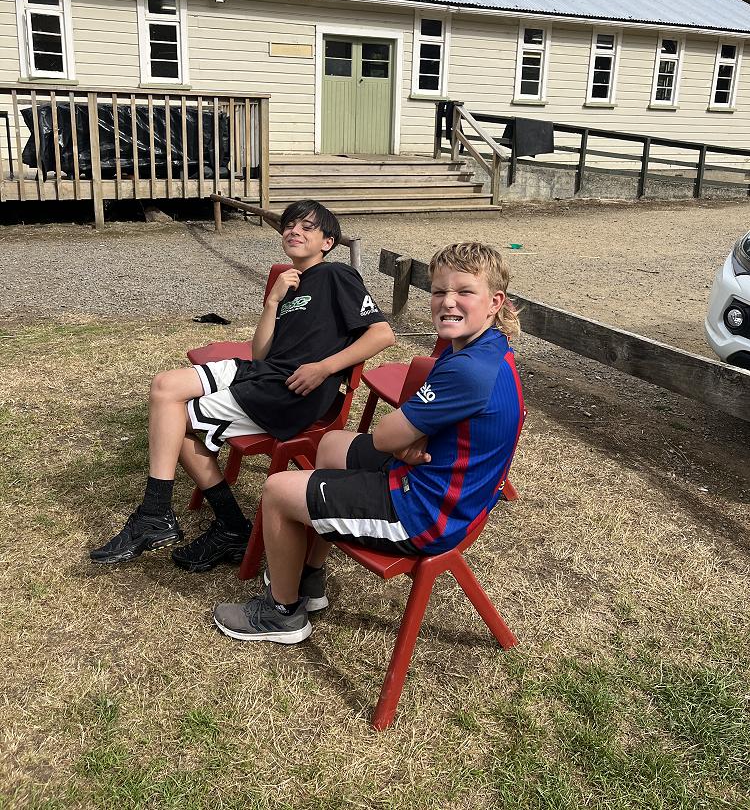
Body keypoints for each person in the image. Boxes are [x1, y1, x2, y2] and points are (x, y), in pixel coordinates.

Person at [213, 241, 525, 644]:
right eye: (439, 291)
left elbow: (385, 435)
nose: (448, 301)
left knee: (277, 491)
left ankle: (282, 613)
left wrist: (403, 436)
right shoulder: (484, 346)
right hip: (438, 479)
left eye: (464, 292)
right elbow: (421, 426)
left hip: (424, 513)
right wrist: (413, 434)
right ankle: (309, 578)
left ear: (495, 302)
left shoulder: (469, 370)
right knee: (330, 444)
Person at [90, 199, 394, 572]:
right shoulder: (290, 284)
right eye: (289, 225)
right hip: (262, 371)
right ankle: (165, 515)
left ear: (327, 242)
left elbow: (382, 334)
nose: (294, 231)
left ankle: (195, 520)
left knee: (175, 422)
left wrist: (324, 368)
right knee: (165, 387)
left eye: (307, 227)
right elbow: (261, 352)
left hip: (290, 391)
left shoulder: (336, 275)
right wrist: (273, 301)